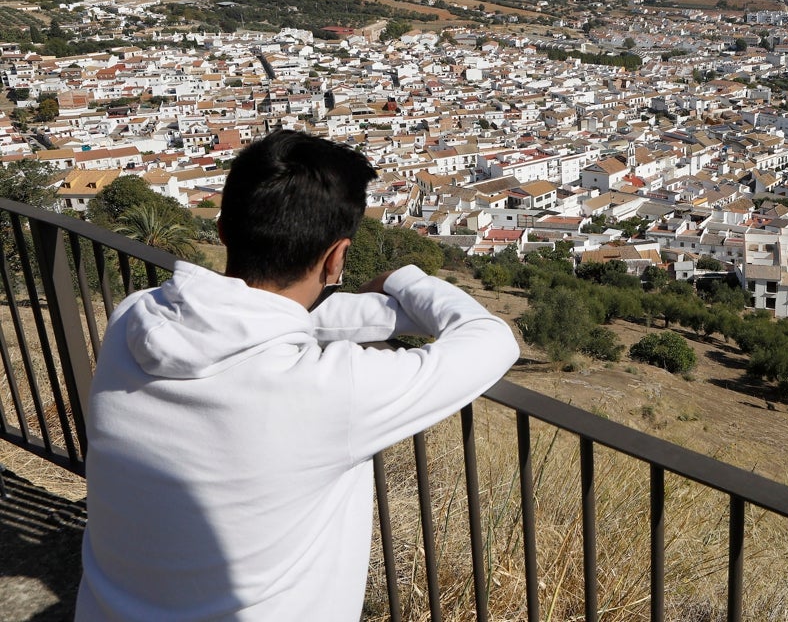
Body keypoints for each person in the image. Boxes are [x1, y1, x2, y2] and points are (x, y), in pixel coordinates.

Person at [76, 130, 519, 621]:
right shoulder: (330, 390)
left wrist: (376, 309)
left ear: (223, 230)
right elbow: (492, 339)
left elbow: (258, 320)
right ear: (337, 257)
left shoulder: (136, 317)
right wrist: (403, 282)